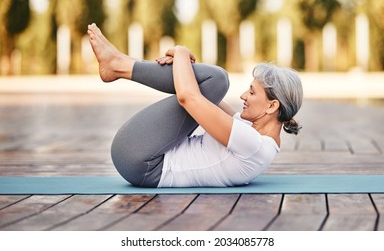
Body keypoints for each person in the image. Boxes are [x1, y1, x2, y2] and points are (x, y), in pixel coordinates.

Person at [87, 23, 303, 188]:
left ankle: (118, 65)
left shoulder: (253, 144)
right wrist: (184, 68)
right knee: (215, 80)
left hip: (141, 161)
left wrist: (181, 52)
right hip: (142, 156)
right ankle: (119, 63)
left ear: (272, 106)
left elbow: (188, 98)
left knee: (217, 78)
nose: (243, 95)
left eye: (252, 92)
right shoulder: (254, 136)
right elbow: (207, 95)